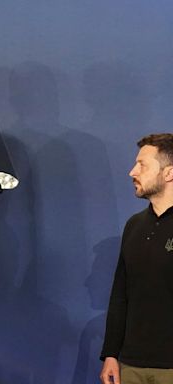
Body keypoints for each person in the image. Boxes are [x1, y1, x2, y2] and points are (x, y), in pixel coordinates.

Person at [100, 133, 173, 384]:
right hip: (130, 365)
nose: (132, 172)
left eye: (142, 165)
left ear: (168, 173)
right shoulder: (134, 225)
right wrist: (111, 354)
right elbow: (120, 293)